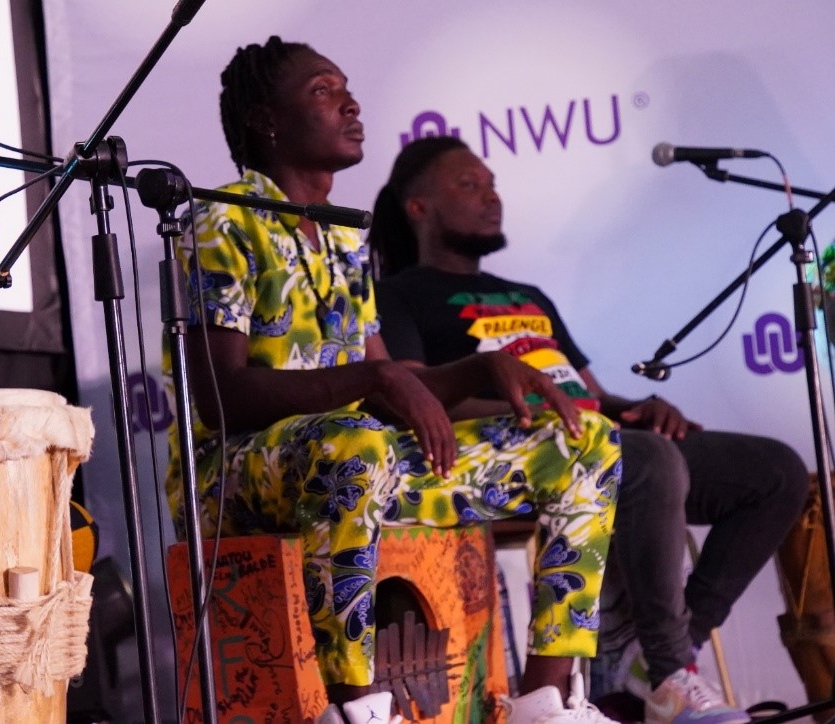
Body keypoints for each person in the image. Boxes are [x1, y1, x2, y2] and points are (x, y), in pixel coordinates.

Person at [166, 36, 623, 724]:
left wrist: (479, 369)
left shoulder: (346, 234)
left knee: (585, 441)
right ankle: (354, 708)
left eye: (348, 87)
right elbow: (222, 396)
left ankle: (546, 700)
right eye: (323, 91)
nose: (350, 103)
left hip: (358, 462)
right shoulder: (222, 219)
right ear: (267, 118)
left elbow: (395, 377)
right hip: (238, 476)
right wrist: (373, 381)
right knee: (356, 444)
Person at [369, 135, 810, 723]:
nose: (490, 196)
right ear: (417, 207)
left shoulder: (527, 295)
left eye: (492, 183)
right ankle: (669, 672)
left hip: (598, 437)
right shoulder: (396, 296)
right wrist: (535, 413)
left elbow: (589, 395)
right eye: (469, 185)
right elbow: (420, 399)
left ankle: (651, 659)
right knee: (648, 459)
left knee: (774, 471)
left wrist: (640, 405)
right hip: (521, 451)